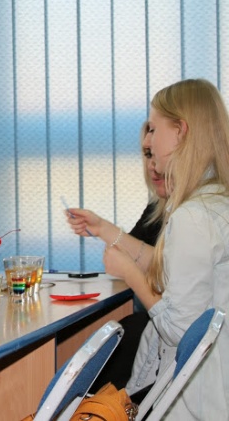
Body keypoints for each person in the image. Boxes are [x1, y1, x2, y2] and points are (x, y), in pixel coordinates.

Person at [102, 78, 229, 418]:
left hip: (197, 402)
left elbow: (180, 331)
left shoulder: (193, 217)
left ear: (180, 132)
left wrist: (132, 275)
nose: (148, 141)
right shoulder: (217, 204)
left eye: (154, 129)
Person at [66, 121, 168, 390]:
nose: (153, 165)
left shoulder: (194, 215)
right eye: (147, 154)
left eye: (157, 153)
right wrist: (101, 228)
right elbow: (137, 253)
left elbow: (161, 271)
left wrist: (129, 268)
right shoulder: (158, 206)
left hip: (162, 338)